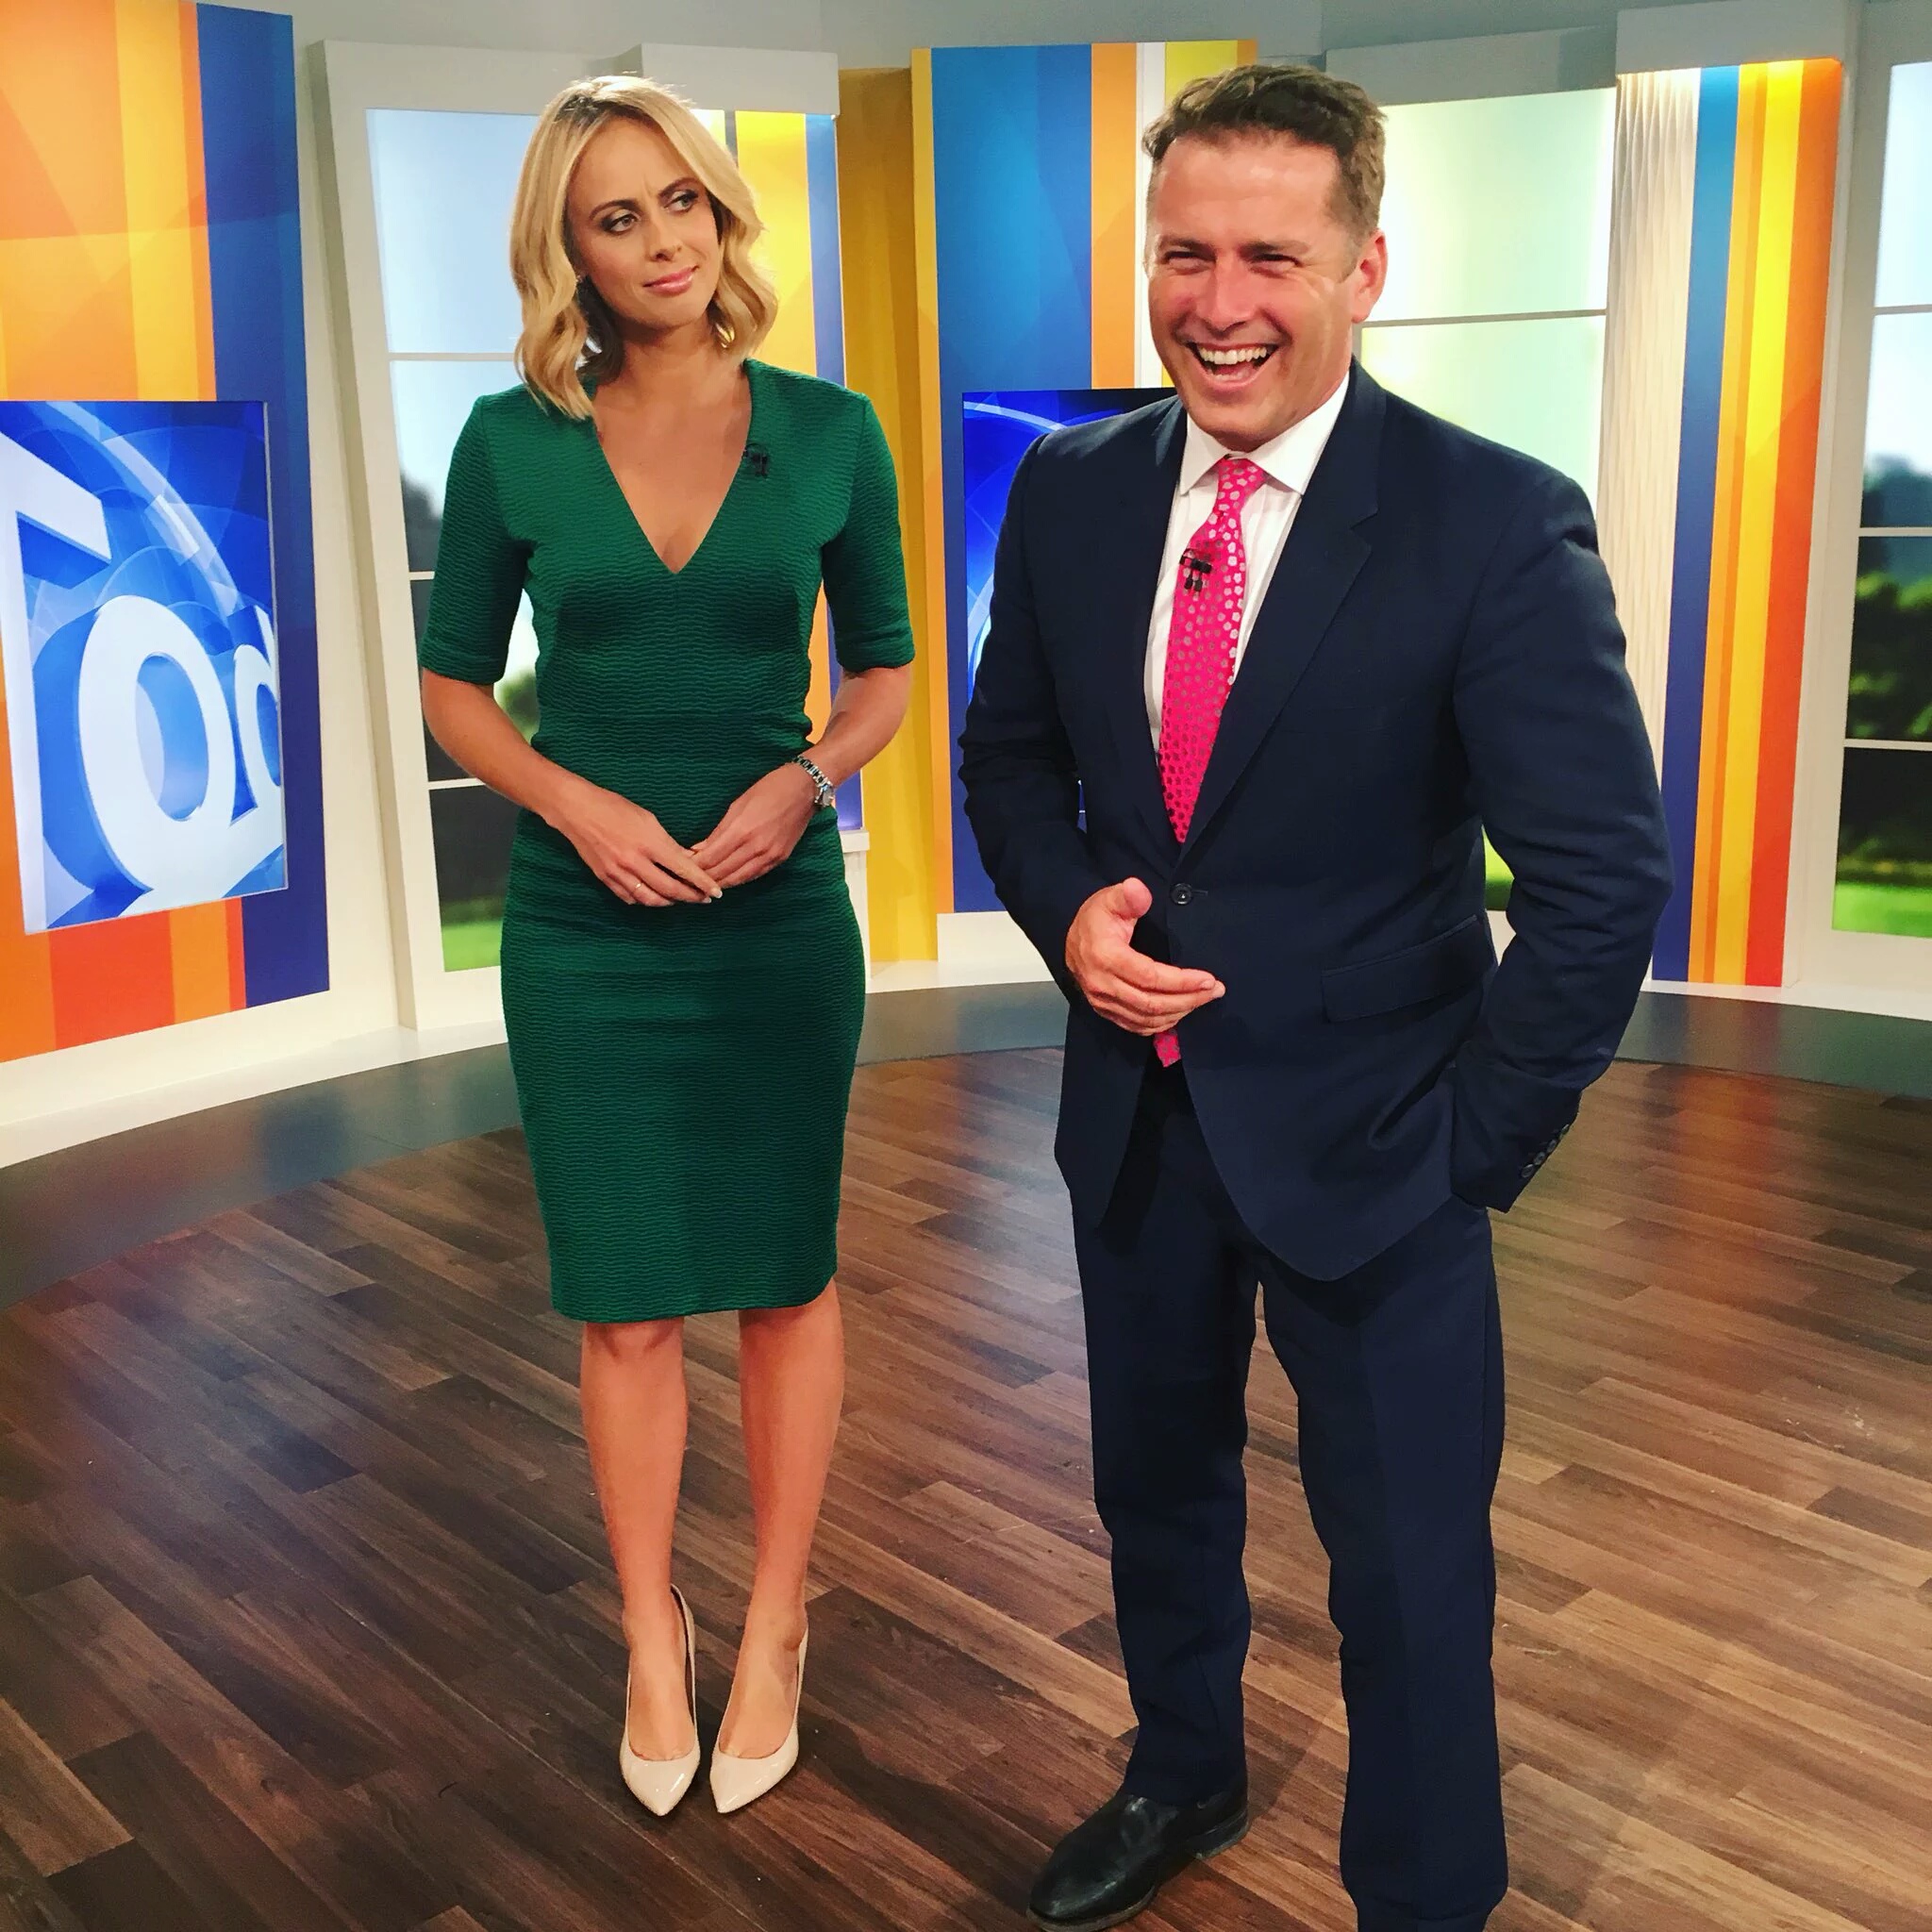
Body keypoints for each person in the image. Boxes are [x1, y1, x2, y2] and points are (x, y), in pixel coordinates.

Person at [959, 63, 1672, 1932]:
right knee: (1156, 1496)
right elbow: (1006, 759)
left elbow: (1601, 887)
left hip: (1385, 1150)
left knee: (1410, 1575)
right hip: (1135, 1121)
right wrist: (1070, 919)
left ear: (1364, 268)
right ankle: (1181, 1772)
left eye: (1269, 257)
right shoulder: (1069, 490)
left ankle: (1426, 1897)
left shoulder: (1491, 522)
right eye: (1183, 253)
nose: (1218, 303)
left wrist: (1471, 1152)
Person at [417, 76, 913, 1820]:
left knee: (784, 1276)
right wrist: (573, 806)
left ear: (720, 208)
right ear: (568, 250)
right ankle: (653, 1628)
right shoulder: (510, 442)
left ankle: (775, 1618)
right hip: (584, 931)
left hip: (776, 926)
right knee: (624, 1304)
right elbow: (455, 690)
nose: (661, 242)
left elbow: (885, 674)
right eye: (615, 218)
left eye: (680, 201)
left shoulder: (832, 430)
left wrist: (807, 780)